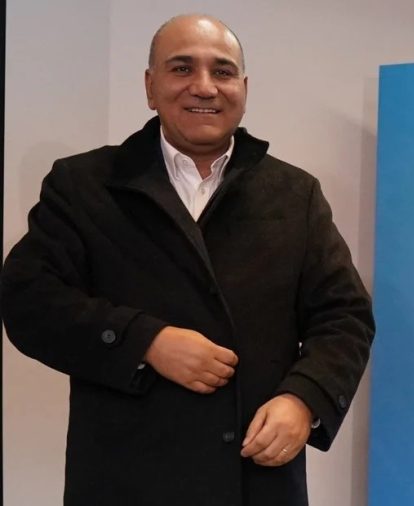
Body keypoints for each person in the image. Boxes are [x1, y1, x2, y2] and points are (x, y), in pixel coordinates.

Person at [1, 14, 374, 506]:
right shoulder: (83, 184)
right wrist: (145, 341)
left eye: (222, 71)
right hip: (124, 481)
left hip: (256, 481)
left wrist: (305, 399)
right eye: (182, 68)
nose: (204, 86)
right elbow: (29, 301)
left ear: (244, 88)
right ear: (150, 87)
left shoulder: (294, 193)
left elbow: (345, 316)